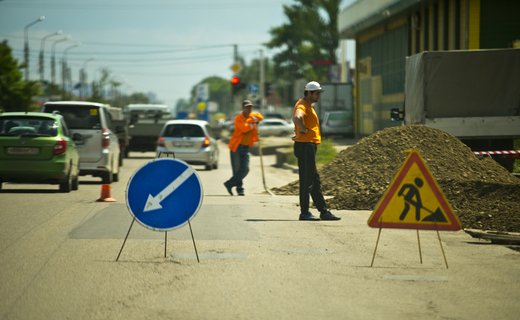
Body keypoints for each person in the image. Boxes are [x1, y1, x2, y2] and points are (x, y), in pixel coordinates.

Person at [292, 81, 341, 221]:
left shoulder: (308, 105)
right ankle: (304, 212)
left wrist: (300, 129)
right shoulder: (302, 105)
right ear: (308, 93)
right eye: (317, 93)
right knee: (307, 180)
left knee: (314, 180)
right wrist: (301, 128)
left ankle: (323, 211)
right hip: (305, 146)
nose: (319, 96)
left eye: (319, 93)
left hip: (308, 146)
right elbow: (297, 116)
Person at [224, 100, 264, 196]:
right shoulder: (238, 118)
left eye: (250, 107)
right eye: (247, 107)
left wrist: (253, 120)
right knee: (237, 169)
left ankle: (229, 184)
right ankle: (240, 189)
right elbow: (244, 128)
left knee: (245, 169)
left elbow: (260, 117)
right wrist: (253, 122)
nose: (249, 109)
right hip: (236, 147)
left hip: (246, 147)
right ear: (243, 108)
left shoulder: (252, 116)